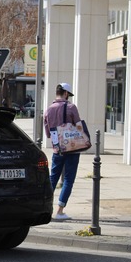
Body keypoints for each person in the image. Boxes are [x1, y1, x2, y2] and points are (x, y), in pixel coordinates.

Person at [43, 82, 83, 220]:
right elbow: (79, 127)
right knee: (68, 179)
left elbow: (48, 133)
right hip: (72, 148)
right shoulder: (71, 107)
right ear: (66, 93)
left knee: (52, 178)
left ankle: (45, 208)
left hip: (57, 149)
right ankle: (60, 211)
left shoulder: (48, 110)